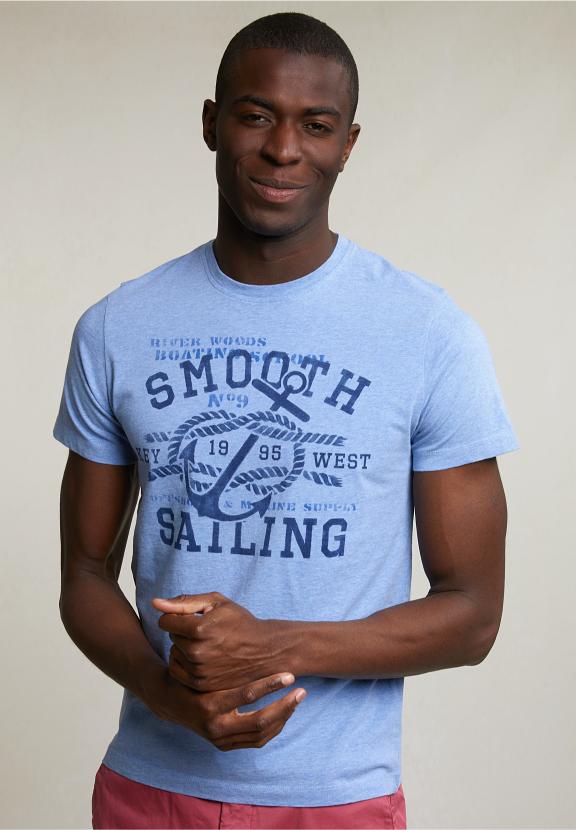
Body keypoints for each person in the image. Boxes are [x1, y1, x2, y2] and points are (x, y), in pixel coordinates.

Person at [53, 11, 519, 830]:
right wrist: (167, 694)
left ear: (348, 144)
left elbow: (473, 614)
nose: (283, 149)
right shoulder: (117, 328)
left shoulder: (427, 334)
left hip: (333, 800)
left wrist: (275, 645)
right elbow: (85, 576)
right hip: (150, 790)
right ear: (211, 123)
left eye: (317, 125)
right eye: (256, 115)